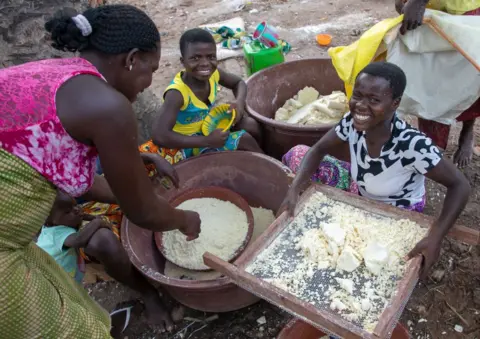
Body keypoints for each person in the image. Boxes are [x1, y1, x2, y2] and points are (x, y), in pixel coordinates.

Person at [0, 4, 201, 338]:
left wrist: (134, 172)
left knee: (59, 291)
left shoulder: (60, 74)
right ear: (132, 59)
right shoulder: (108, 106)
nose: (149, 81)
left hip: (12, 237)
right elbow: (142, 212)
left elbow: (66, 172)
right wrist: (184, 219)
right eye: (151, 69)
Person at [280, 62, 471, 279]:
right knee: (297, 154)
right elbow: (318, 149)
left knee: (368, 263)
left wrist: (436, 235)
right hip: (360, 188)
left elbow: (460, 185)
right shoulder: (352, 122)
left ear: (394, 104)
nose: (361, 106)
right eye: (358, 95)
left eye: (374, 100)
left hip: (395, 210)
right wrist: (295, 188)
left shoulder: (412, 145)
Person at [139, 28, 263, 166]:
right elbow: (159, 135)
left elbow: (239, 83)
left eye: (211, 57)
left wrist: (239, 104)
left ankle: (263, 161)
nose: (205, 63)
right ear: (183, 61)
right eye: (195, 58)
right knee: (244, 139)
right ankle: (266, 169)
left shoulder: (213, 74)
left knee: (250, 125)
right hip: (186, 145)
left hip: (206, 129)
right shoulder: (177, 93)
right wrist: (207, 141)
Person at [395, 0, 480, 167]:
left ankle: (467, 129)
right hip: (431, 11)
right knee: (431, 82)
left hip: (463, 10)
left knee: (467, 79)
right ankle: (433, 143)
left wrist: (418, 2)